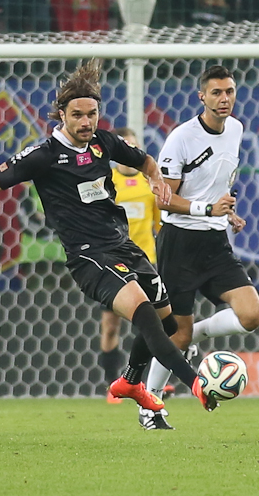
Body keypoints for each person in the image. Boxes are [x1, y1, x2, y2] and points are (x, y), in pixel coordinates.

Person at [0, 59, 218, 423]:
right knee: (145, 315)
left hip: (124, 246)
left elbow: (145, 160)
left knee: (168, 325)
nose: (86, 122)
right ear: (61, 116)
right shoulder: (44, 156)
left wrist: (156, 180)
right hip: (89, 257)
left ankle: (130, 381)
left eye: (92, 114)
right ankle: (196, 384)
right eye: (78, 115)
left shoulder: (104, 142)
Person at [143, 65, 259, 430]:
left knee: (252, 315)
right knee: (175, 336)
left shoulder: (237, 129)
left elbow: (218, 183)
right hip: (179, 243)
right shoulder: (181, 138)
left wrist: (227, 213)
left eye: (229, 91)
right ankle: (150, 405)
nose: (224, 98)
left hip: (215, 241)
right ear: (202, 97)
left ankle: (196, 333)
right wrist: (207, 209)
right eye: (216, 93)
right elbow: (164, 199)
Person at [100, 127, 161, 404]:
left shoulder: (149, 183)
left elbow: (159, 225)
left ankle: (147, 383)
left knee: (153, 326)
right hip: (114, 261)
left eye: (132, 145)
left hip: (145, 261)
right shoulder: (106, 181)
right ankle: (112, 386)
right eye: (124, 144)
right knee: (110, 327)